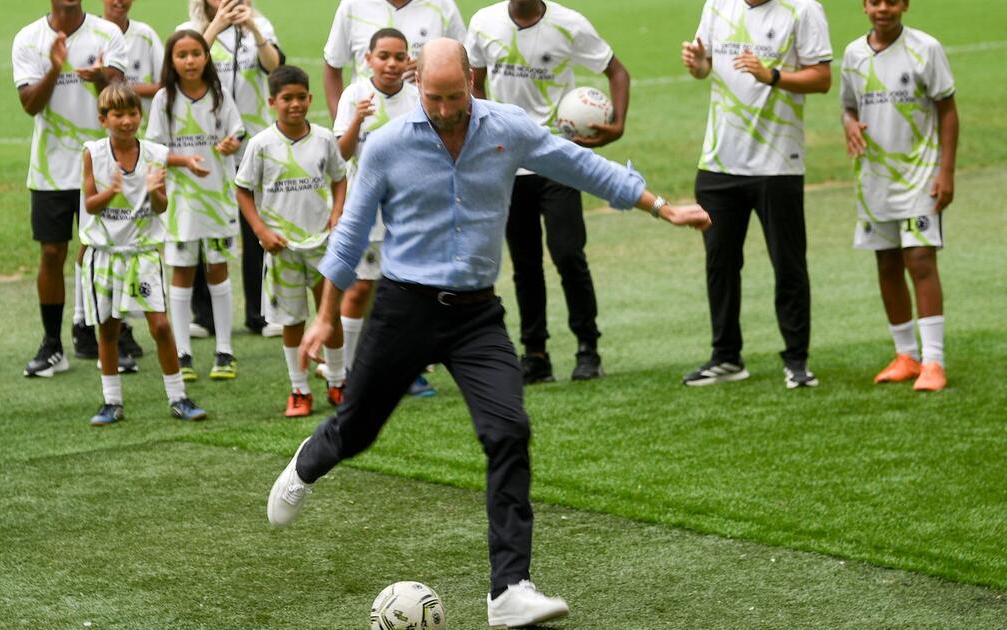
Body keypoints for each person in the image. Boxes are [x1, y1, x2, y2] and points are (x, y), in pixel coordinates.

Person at [266, 39, 710, 628]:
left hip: (476, 315)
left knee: (508, 430)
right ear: (417, 83)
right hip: (404, 307)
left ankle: (509, 590)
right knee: (359, 429)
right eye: (434, 97)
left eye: (457, 96)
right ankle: (307, 464)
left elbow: (578, 163)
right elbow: (350, 234)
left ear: (471, 83)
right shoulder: (388, 146)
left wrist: (661, 206)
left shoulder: (509, 128)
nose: (447, 109)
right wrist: (325, 316)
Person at [467, 0, 631, 383]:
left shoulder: (569, 23)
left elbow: (617, 72)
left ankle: (588, 348)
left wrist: (618, 125)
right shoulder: (483, 22)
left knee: (568, 252)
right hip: (508, 160)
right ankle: (535, 354)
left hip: (558, 156)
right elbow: (474, 83)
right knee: (525, 263)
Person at [680, 0, 832, 389]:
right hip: (718, 162)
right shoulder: (717, 4)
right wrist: (699, 66)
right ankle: (726, 357)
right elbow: (706, 68)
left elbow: (821, 78)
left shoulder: (803, 9)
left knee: (788, 263)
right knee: (720, 263)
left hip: (777, 163)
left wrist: (773, 76)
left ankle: (797, 360)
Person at [841, 0, 957, 392]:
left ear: (905, 5)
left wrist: (947, 171)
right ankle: (906, 356)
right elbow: (847, 107)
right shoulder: (854, 54)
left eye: (892, 1)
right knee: (887, 262)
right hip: (874, 179)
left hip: (920, 178)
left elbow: (948, 110)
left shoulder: (927, 49)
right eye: (875, 2)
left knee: (920, 259)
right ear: (864, 7)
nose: (883, 9)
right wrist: (850, 125)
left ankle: (934, 362)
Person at [12, 0, 129, 378]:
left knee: (105, 251)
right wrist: (55, 67)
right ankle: (52, 345)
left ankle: (108, 342)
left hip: (101, 164)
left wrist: (97, 77)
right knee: (51, 252)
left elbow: (119, 95)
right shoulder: (29, 38)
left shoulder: (107, 33)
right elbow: (30, 105)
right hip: (51, 168)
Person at [80, 84, 208, 425]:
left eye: (132, 114)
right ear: (103, 119)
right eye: (118, 115)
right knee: (108, 328)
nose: (126, 121)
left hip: (143, 252)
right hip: (104, 254)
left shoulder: (153, 153)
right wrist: (111, 191)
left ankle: (179, 397)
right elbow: (90, 205)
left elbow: (161, 206)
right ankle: (111, 402)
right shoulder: (93, 152)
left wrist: (154, 193)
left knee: (161, 326)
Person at [235, 65, 348, 418]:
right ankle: (299, 390)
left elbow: (340, 178)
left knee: (329, 314)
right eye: (287, 98)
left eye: (301, 97)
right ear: (272, 102)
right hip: (281, 248)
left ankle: (339, 382)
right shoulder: (261, 144)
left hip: (321, 244)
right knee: (292, 319)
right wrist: (261, 232)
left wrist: (338, 213)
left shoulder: (325, 138)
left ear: (310, 98)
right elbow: (242, 190)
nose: (295, 104)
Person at [331, 28, 435, 395]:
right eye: (384, 56)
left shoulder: (418, 98)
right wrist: (358, 119)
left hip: (409, 213)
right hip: (367, 213)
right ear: (368, 59)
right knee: (359, 290)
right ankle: (346, 373)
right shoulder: (354, 95)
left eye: (399, 57)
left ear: (409, 61)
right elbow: (340, 155)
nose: (391, 64)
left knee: (411, 291)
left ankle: (409, 369)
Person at [180, 0, 285, 338]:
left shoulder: (261, 26)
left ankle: (262, 313)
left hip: (252, 142)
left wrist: (252, 28)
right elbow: (187, 67)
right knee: (204, 227)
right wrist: (217, 25)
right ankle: (204, 316)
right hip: (206, 145)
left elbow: (275, 68)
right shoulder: (192, 32)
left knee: (256, 230)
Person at [145, 30, 245, 382]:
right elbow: (154, 150)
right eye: (182, 55)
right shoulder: (163, 100)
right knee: (182, 270)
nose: (189, 61)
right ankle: (183, 352)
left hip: (217, 196)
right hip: (181, 201)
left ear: (206, 57)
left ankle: (225, 350)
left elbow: (237, 132)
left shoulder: (220, 95)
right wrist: (185, 161)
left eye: (196, 54)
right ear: (171, 61)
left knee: (217, 267)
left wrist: (232, 144)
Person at [323, 0, 466, 120]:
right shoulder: (353, 5)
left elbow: (464, 62)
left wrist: (432, 63)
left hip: (427, 123)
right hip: (369, 126)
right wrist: (343, 125)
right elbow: (333, 66)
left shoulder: (442, 5)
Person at [100, 0, 163, 116]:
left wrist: (123, 89)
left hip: (143, 129)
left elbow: (166, 84)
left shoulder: (146, 35)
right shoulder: (91, 35)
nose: (119, 1)